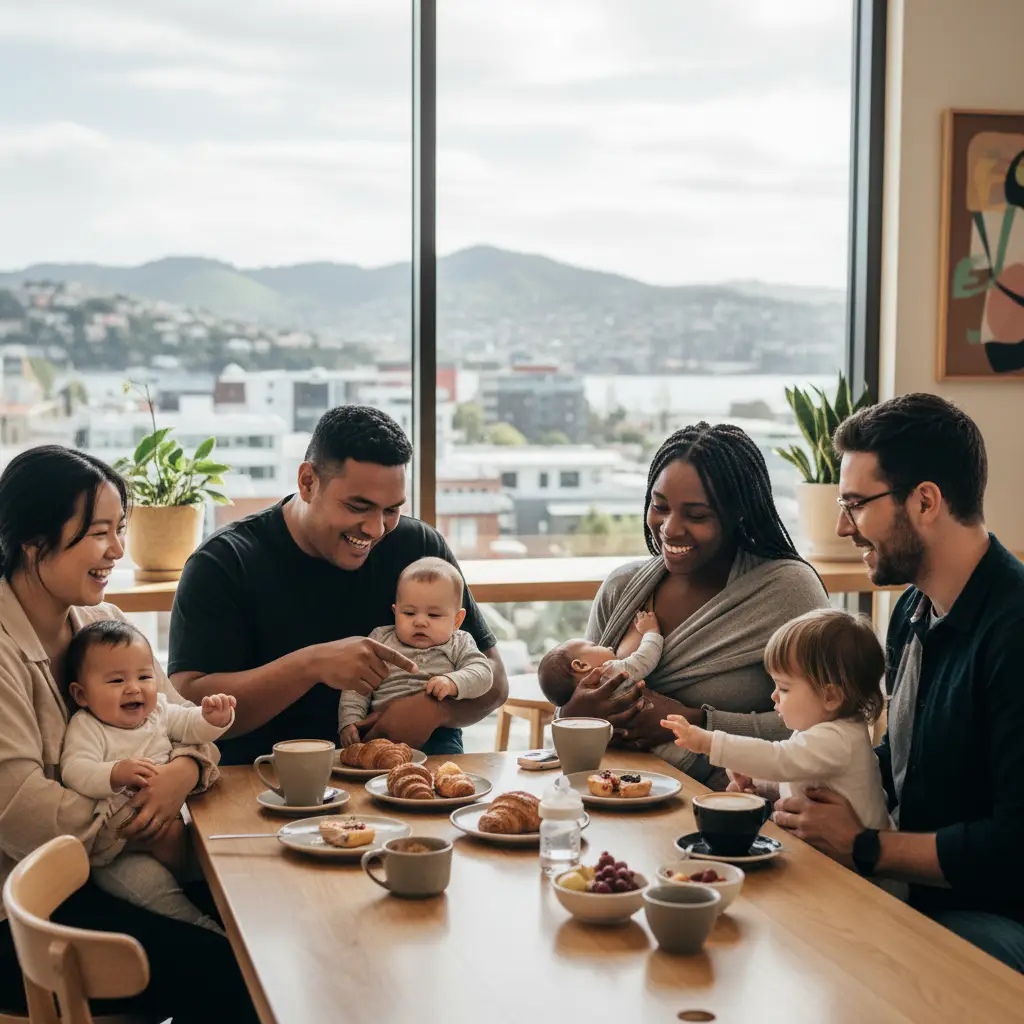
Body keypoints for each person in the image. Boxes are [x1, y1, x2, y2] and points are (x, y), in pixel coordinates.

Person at [0, 445, 258, 1023]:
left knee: (267, 926)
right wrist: (136, 824)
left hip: (115, 870)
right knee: (235, 971)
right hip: (22, 914)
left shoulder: (100, 622)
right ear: (33, 540)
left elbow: (178, 722)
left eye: (119, 530)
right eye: (99, 533)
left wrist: (183, 773)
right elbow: (17, 808)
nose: (117, 549)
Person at [772, 393, 1024, 971]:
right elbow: (906, 760)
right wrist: (798, 784)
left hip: (994, 915)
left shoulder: (1013, 633)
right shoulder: (913, 610)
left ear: (927, 501)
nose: (842, 526)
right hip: (913, 890)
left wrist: (864, 846)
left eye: (856, 504)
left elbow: (1014, 847)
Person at [170, 406, 508, 764]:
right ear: (307, 482)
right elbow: (185, 705)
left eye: (391, 510)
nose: (376, 529)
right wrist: (311, 665)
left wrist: (435, 712)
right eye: (357, 506)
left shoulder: (419, 549)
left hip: (407, 777)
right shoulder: (223, 563)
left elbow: (496, 681)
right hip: (264, 781)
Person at [559, 422, 830, 786]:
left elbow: (828, 727)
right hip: (613, 802)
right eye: (660, 506)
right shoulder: (621, 588)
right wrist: (573, 713)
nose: (670, 528)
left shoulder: (787, 592)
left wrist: (699, 722)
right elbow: (573, 707)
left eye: (697, 515)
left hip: (732, 813)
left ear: (738, 513)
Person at [61, 619, 236, 932]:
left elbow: (191, 727)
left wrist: (213, 718)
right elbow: (75, 769)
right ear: (81, 694)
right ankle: (201, 928)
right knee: (155, 892)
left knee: (221, 863)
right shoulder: (88, 727)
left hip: (176, 826)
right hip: (122, 850)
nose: (134, 688)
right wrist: (114, 773)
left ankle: (231, 917)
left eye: (144, 676)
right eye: (116, 681)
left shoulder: (159, 712)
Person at [662, 608, 890, 831]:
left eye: (784, 688)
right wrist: (759, 783)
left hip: (860, 867)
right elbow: (796, 772)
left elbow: (781, 759)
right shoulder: (822, 727)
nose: (774, 695)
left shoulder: (838, 740)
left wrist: (707, 742)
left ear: (830, 696)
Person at [339, 557, 492, 753]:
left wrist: (452, 682)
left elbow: (483, 673)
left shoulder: (459, 642)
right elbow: (357, 685)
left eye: (434, 615)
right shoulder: (380, 638)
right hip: (379, 730)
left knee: (444, 773)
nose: (420, 622)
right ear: (395, 612)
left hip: (439, 735)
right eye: (409, 613)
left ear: (457, 620)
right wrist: (350, 721)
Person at [538, 610, 676, 762]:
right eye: (594, 645)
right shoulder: (609, 673)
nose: (608, 646)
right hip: (670, 747)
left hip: (634, 755)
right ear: (581, 665)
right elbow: (645, 659)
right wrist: (651, 632)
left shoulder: (574, 709)